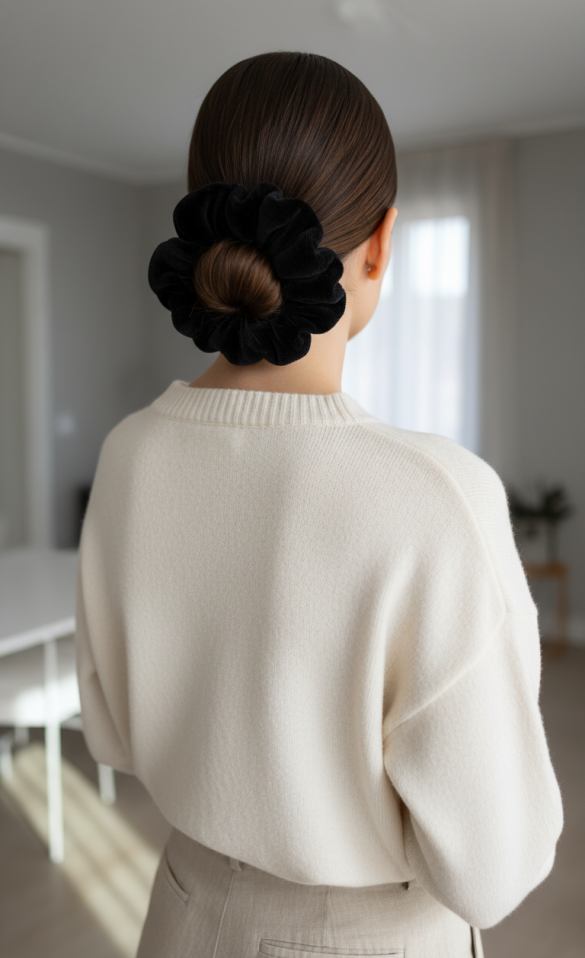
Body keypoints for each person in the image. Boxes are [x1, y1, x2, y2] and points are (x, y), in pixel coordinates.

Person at [75, 52, 563, 958]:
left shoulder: (128, 454)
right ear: (380, 242)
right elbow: (494, 868)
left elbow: (113, 735)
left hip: (180, 911)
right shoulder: (434, 498)